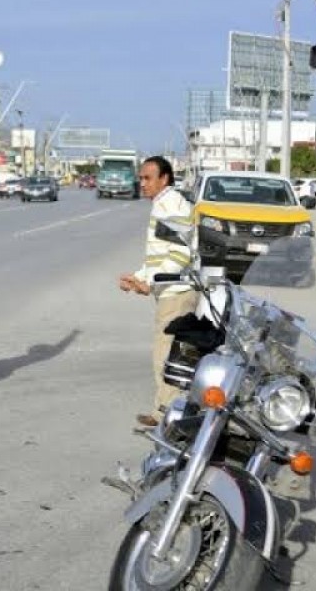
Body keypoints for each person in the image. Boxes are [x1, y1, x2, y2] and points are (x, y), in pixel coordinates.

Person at [118, 156, 197, 428]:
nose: (142, 183)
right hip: (169, 290)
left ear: (164, 178)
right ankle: (167, 411)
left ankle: (167, 414)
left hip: (177, 292)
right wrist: (139, 277)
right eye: (140, 178)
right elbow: (159, 255)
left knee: (166, 356)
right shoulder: (163, 204)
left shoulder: (173, 205)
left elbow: (179, 253)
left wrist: (150, 283)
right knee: (169, 353)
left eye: (147, 178)